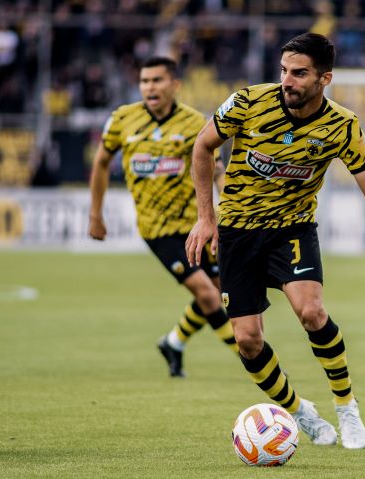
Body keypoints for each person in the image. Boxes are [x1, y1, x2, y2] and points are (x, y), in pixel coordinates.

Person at [185, 33, 365, 449]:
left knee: (311, 311)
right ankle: (300, 411)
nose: (287, 81)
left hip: (292, 229)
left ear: (325, 78)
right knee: (247, 339)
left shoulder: (342, 126)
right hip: (237, 232)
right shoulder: (248, 102)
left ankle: (346, 406)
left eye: (299, 73)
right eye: (284, 71)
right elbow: (203, 147)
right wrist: (205, 217)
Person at [88, 56, 238, 378]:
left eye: (157, 80)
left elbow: (217, 170)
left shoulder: (194, 122)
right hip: (158, 230)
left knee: (219, 289)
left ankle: (173, 342)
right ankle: (253, 360)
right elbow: (101, 162)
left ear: (174, 84)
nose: (149, 87)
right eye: (144, 81)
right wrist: (95, 214)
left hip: (196, 225)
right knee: (208, 294)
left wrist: (228, 210)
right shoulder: (122, 120)